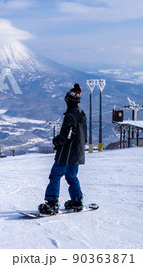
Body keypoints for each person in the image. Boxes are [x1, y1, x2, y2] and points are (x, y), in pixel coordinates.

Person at [38, 83, 87, 215]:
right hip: (78, 153)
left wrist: (57, 142)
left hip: (67, 153)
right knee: (72, 176)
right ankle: (77, 201)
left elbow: (67, 134)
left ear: (69, 101)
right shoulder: (82, 114)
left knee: (55, 175)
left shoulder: (70, 115)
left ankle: (52, 203)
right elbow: (85, 136)